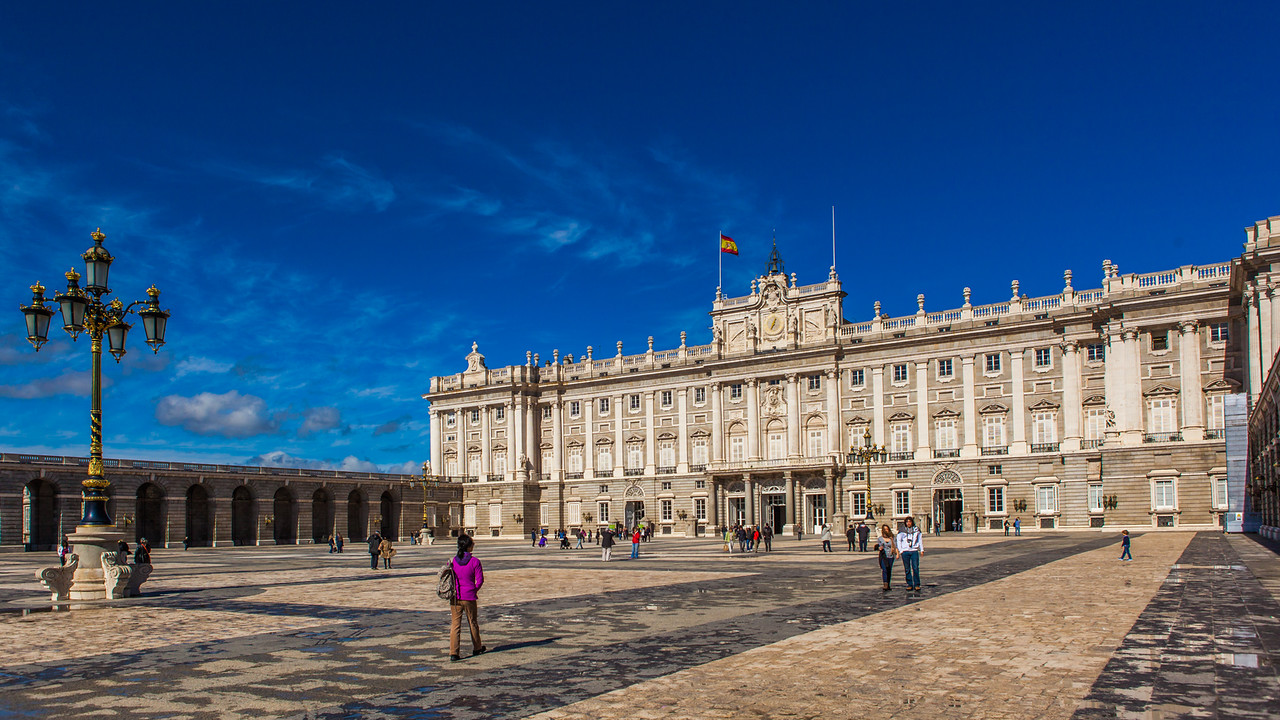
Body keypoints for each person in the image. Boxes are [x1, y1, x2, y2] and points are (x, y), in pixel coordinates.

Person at [448, 534, 486, 662]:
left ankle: (454, 653)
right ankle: (477, 647)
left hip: (455, 597)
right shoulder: (475, 561)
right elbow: (480, 580)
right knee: (473, 623)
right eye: (472, 544)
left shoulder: (452, 561)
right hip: (469, 596)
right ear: (469, 547)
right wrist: (473, 590)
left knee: (455, 625)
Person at [896, 517, 924, 592]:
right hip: (905, 551)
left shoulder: (916, 530)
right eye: (907, 522)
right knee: (907, 568)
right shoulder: (902, 530)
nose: (908, 523)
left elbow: (920, 540)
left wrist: (921, 549)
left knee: (915, 568)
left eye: (910, 521)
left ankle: (917, 584)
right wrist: (901, 550)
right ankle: (909, 584)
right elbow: (898, 540)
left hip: (914, 550)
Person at [876, 524, 898, 591]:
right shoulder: (880, 538)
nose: (886, 530)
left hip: (890, 555)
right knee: (884, 569)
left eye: (887, 529)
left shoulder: (892, 538)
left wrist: (897, 554)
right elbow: (878, 546)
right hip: (883, 556)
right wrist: (879, 548)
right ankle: (885, 584)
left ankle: (888, 583)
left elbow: (895, 546)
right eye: (885, 529)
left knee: (889, 570)